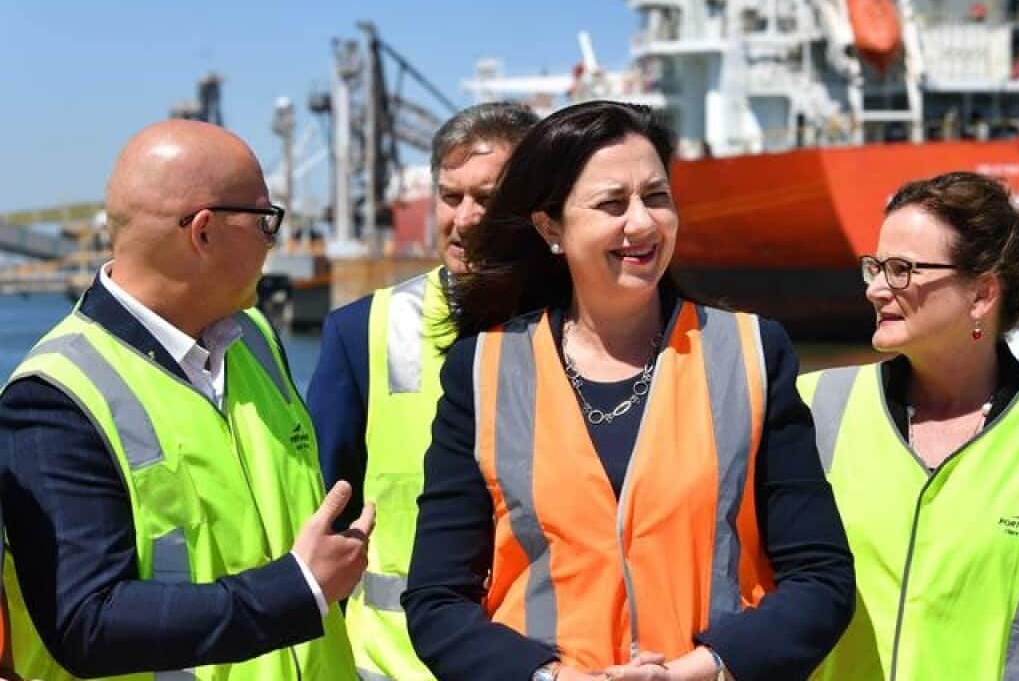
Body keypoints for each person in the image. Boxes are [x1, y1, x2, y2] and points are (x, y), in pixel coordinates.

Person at [401, 101, 854, 681]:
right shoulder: (482, 368)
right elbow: (437, 601)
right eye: (613, 204)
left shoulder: (751, 353)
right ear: (551, 228)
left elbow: (821, 579)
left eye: (657, 197)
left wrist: (711, 667)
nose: (641, 223)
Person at [0, 120, 372, 680]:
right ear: (203, 232)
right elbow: (86, 622)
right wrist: (298, 589)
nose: (275, 242)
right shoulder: (54, 398)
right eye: (265, 221)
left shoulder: (257, 341)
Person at [798, 171, 1019, 680]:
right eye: (874, 267)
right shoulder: (815, 406)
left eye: (901, 269)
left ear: (981, 294)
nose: (874, 289)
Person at [308, 101, 539, 680]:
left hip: (550, 660)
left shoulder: (594, 329)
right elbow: (322, 514)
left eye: (487, 199)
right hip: (396, 666)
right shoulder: (363, 333)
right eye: (450, 196)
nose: (464, 219)